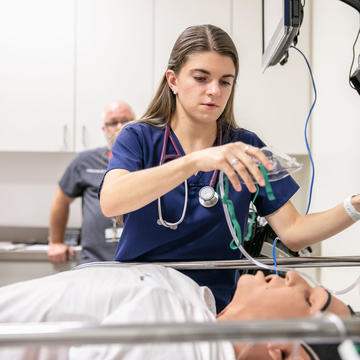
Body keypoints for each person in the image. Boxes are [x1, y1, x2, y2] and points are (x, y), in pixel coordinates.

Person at [99, 24, 360, 313]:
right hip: (141, 298)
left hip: (216, 307)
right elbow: (112, 201)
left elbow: (293, 231)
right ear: (172, 80)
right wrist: (196, 161)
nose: (214, 91)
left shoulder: (247, 147)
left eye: (225, 81)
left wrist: (354, 206)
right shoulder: (138, 137)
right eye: (201, 78)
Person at [0, 264, 354, 359]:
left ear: (281, 350)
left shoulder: (180, 343)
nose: (293, 276)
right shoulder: (194, 307)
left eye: (309, 298)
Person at [48, 101, 135, 265]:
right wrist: (56, 242)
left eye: (126, 121)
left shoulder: (149, 161)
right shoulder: (85, 161)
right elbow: (61, 200)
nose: (120, 126)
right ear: (104, 129)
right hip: (93, 263)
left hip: (138, 263)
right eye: (113, 122)